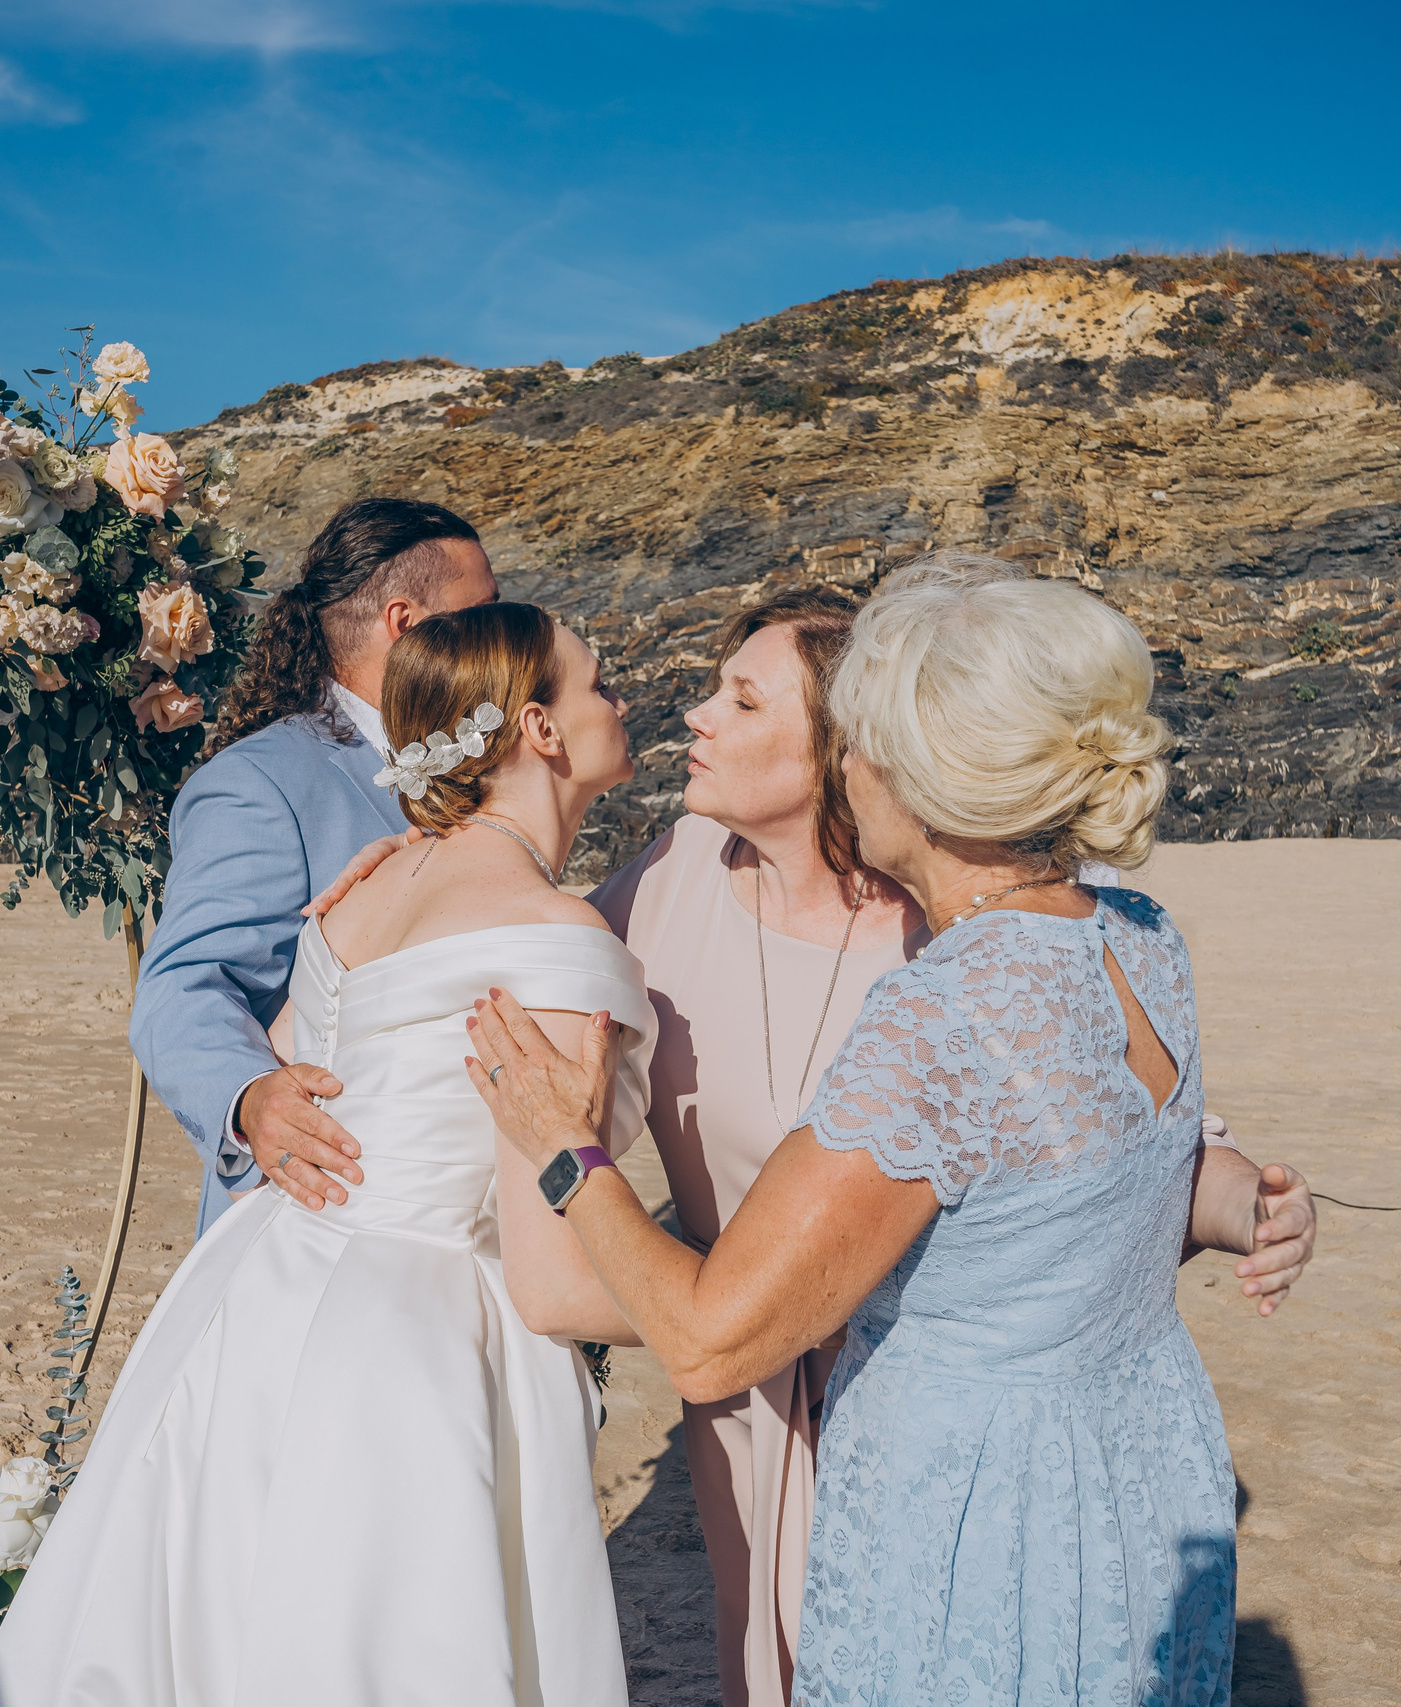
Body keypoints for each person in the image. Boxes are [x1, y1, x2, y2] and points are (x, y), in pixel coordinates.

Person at [466, 553, 1281, 1705]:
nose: (847, 765)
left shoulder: (941, 1015)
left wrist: (567, 1147)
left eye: (858, 742)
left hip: (967, 1510)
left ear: (910, 776)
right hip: (1137, 1477)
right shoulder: (1141, 935)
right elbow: (1083, 1181)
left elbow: (707, 1341)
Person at [0, 603, 654, 1706]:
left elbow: (308, 1056)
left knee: (223, 1617)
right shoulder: (557, 942)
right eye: (598, 684)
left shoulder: (367, 887)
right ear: (540, 728)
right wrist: (734, 1296)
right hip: (420, 1340)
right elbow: (553, 1281)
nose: (619, 700)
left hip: (261, 1290)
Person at [129, 496, 496, 1238]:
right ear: (406, 623)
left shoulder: (484, 765)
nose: (507, 630)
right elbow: (181, 986)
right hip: (319, 1213)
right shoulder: (263, 782)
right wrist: (252, 1097)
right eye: (486, 609)